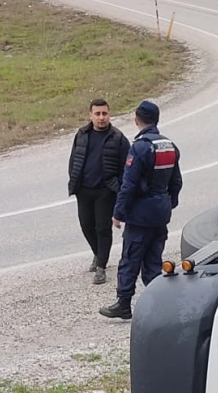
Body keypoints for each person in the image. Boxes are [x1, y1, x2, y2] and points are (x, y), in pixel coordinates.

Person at [103, 99, 181, 320]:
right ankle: (159, 305)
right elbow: (176, 182)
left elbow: (128, 185)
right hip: (161, 212)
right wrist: (168, 203)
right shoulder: (170, 146)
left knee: (130, 259)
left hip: (141, 214)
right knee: (154, 261)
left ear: (136, 120)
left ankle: (124, 304)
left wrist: (118, 213)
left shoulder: (139, 148)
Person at [67, 98, 129, 287]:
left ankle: (101, 266)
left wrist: (117, 188)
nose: (101, 117)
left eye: (104, 113)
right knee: (86, 225)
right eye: (97, 114)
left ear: (109, 115)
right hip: (84, 190)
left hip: (105, 191)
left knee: (103, 229)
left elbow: (127, 168)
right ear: (90, 115)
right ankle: (98, 253)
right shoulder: (81, 134)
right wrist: (75, 182)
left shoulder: (118, 138)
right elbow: (74, 160)